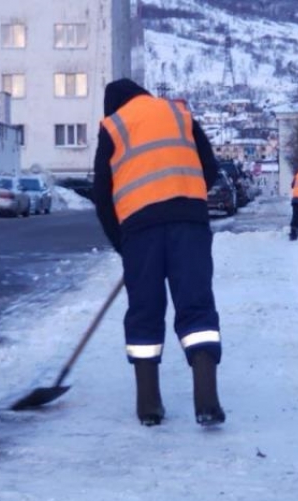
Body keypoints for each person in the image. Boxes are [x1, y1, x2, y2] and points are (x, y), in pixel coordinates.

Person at [93, 78, 225, 427]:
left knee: (145, 311)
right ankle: (207, 401)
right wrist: (184, 192)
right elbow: (209, 167)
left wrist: (123, 244)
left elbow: (102, 196)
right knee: (196, 305)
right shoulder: (178, 113)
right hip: (190, 223)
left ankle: (148, 406)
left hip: (140, 232)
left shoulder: (113, 126)